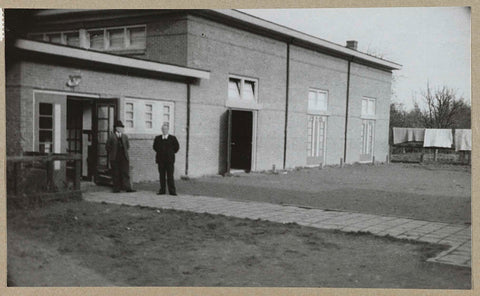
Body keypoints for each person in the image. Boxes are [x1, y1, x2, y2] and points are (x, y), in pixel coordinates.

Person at [105, 120, 136, 193]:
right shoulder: (111, 137)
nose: (122, 129)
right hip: (115, 158)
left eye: (122, 128)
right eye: (121, 128)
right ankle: (116, 188)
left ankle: (127, 188)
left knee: (125, 172)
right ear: (117, 128)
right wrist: (112, 152)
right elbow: (107, 147)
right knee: (116, 173)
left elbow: (127, 146)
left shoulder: (125, 136)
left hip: (124, 157)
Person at [153, 124, 180, 195]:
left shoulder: (173, 138)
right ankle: (162, 190)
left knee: (170, 176)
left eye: (166, 129)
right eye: (163, 129)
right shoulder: (157, 138)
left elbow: (176, 148)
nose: (164, 130)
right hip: (161, 160)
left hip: (169, 161)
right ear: (161, 130)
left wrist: (170, 153)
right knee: (161, 176)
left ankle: (172, 191)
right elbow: (155, 147)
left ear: (168, 130)